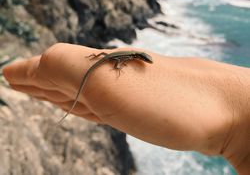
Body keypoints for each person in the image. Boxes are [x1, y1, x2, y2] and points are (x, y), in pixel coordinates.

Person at [2, 43, 250, 175]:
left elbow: (134, 59)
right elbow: (122, 60)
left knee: (105, 61)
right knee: (112, 65)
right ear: (141, 58)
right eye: (145, 60)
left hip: (105, 57)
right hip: (109, 60)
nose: (146, 62)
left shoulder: (137, 56)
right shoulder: (131, 58)